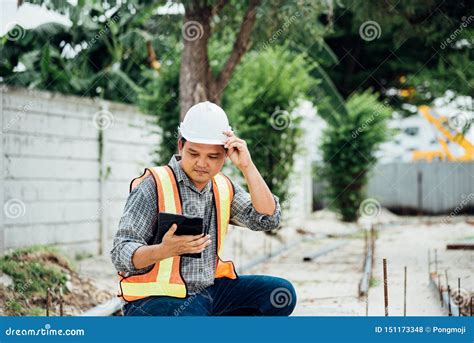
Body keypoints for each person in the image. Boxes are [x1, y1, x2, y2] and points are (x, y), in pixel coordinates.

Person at [111, 101, 296, 316]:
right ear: (181, 145)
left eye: (213, 156)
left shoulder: (222, 186)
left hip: (208, 292)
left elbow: (268, 218)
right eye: (194, 153)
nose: (202, 163)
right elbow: (120, 253)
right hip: (156, 299)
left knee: (282, 294)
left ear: (226, 154)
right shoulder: (154, 184)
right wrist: (163, 250)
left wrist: (247, 166)